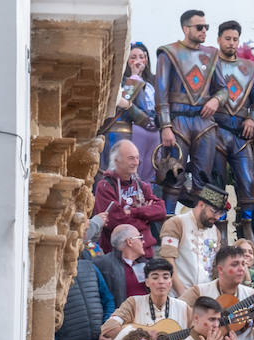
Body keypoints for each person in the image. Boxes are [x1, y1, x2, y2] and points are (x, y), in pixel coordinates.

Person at [155, 10, 219, 203]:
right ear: (185, 28)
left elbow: (223, 89)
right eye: (199, 27)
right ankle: (168, 224)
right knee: (173, 175)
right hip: (178, 120)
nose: (204, 31)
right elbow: (161, 93)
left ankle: (204, 227)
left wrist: (216, 100)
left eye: (206, 27)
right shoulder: (168, 53)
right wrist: (165, 126)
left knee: (204, 179)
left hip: (204, 121)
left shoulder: (211, 54)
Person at [207, 21, 254, 205]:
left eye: (235, 39)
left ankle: (246, 224)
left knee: (248, 182)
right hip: (216, 130)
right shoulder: (209, 64)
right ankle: (215, 227)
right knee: (215, 184)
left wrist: (252, 119)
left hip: (241, 133)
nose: (231, 43)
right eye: (227, 39)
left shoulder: (248, 67)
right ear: (218, 39)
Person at [94, 139, 167, 257]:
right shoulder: (105, 187)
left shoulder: (142, 185)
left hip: (145, 254)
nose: (136, 162)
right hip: (119, 258)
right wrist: (145, 219)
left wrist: (133, 211)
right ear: (116, 160)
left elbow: (161, 210)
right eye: (131, 158)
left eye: (137, 158)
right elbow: (114, 222)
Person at [99, 257, 187, 340]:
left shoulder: (183, 307)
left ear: (171, 282)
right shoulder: (134, 303)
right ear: (147, 282)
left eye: (165, 277)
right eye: (155, 277)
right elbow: (109, 326)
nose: (161, 281)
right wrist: (140, 338)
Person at [158, 185, 225, 298]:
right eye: (214, 212)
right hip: (177, 296)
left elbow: (214, 266)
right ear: (201, 205)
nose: (217, 217)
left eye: (220, 213)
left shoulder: (215, 232)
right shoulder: (176, 223)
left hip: (205, 297)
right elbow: (168, 260)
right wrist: (182, 294)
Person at [108, 43, 159, 182]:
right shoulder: (124, 81)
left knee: (152, 170)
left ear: (146, 60)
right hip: (135, 129)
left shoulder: (153, 82)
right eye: (133, 57)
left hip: (155, 130)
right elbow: (125, 101)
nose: (137, 60)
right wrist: (135, 75)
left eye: (141, 57)